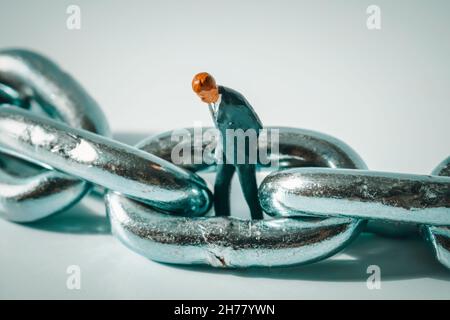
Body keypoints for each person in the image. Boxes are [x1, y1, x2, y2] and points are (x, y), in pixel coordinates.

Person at [192, 72, 264, 219]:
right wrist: (222, 144)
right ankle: (222, 219)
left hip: (242, 154)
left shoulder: (235, 103)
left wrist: (244, 147)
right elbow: (222, 126)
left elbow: (256, 126)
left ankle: (258, 222)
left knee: (249, 191)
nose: (202, 100)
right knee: (220, 186)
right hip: (225, 150)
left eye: (203, 96)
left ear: (212, 90)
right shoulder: (211, 100)